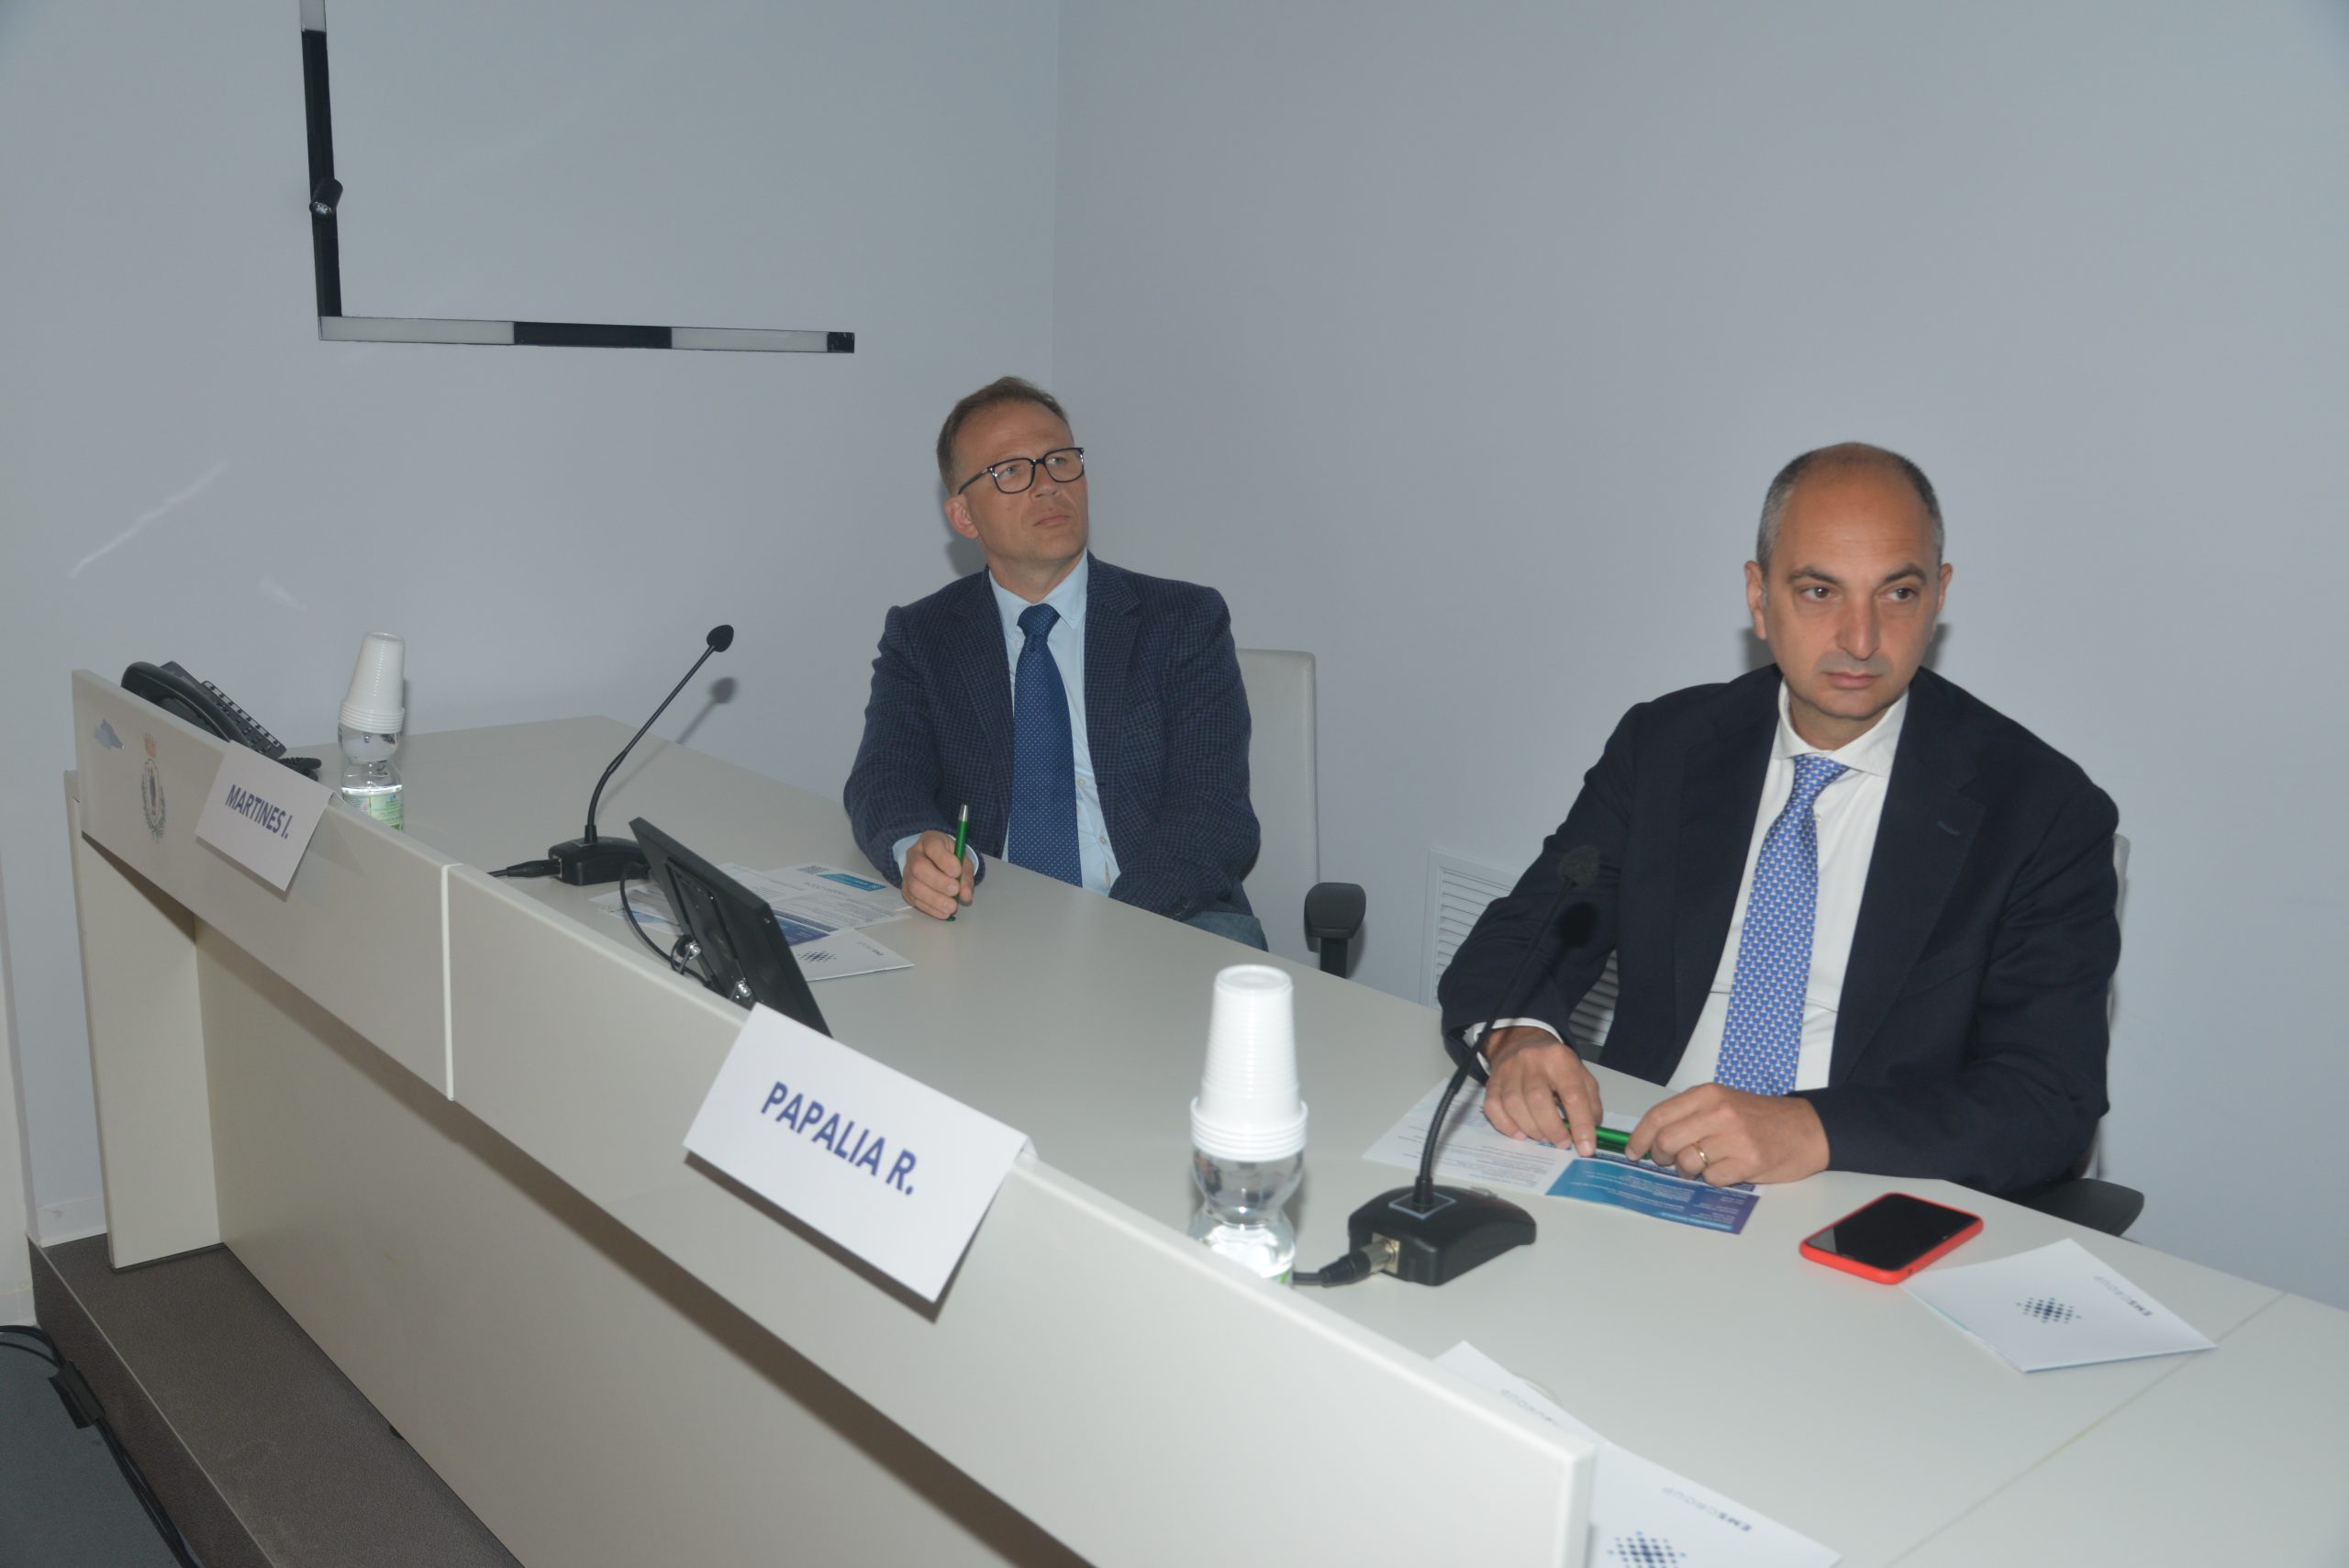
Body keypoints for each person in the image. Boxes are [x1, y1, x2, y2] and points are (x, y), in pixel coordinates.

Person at [1437, 443, 2119, 1195]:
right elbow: (1521, 935)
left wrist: (1810, 1127)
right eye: (1820, 591)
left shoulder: (2041, 810)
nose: (1861, 639)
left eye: (1897, 593)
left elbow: (2049, 1097)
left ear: (1938, 597)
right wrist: (1520, 1038)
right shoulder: (1665, 747)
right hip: (1637, 1161)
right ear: (1759, 599)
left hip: (1859, 1186)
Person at [843, 376, 1265, 948]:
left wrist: (1104, 935)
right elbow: (884, 778)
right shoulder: (923, 635)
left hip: (1166, 918)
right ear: (963, 516)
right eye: (1011, 471)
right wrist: (918, 849)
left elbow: (1212, 815)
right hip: (992, 922)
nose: (1047, 485)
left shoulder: (1182, 620)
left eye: (1060, 461)